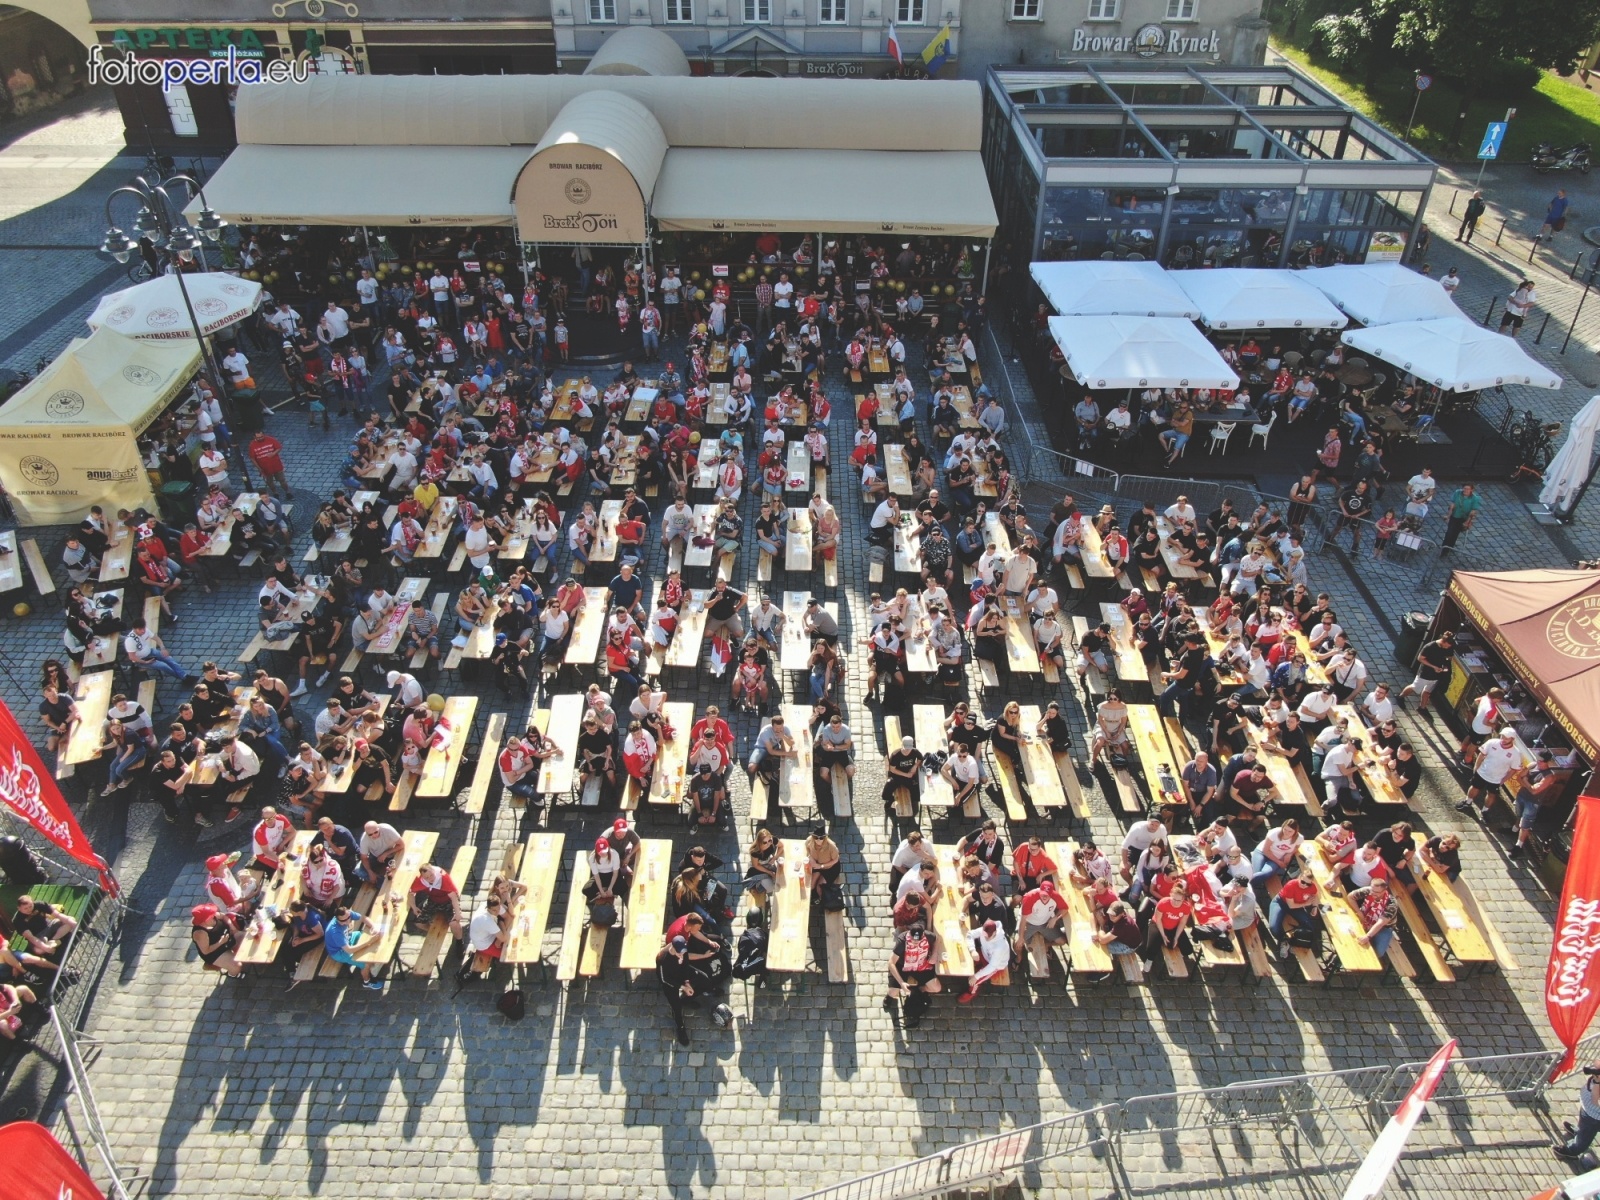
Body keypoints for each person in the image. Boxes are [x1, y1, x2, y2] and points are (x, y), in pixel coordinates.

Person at [884, 921, 943, 1029]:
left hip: (920, 965)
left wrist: (934, 954)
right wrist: (901, 983)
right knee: (893, 992)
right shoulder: (902, 941)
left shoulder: (928, 935)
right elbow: (891, 962)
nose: (915, 943)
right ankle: (888, 998)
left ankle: (920, 989)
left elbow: (938, 939)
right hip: (903, 966)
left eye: (918, 941)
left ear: (923, 936)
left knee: (936, 988)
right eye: (913, 941)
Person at [1511, 749, 1563, 858]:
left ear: (1546, 761)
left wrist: (1525, 780)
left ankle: (1518, 846)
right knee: (1519, 815)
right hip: (1522, 796)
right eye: (1538, 759)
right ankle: (1513, 830)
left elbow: (1534, 791)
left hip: (1533, 802)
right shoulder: (1532, 765)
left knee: (1525, 825)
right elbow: (1518, 777)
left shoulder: (1549, 776)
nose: (1538, 761)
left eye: (1541, 760)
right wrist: (1527, 783)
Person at [324, 906, 385, 990]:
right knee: (365, 964)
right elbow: (349, 950)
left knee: (364, 935)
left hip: (348, 938)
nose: (348, 921)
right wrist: (369, 942)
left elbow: (363, 918)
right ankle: (367, 982)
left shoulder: (346, 914)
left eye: (349, 918)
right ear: (337, 919)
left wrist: (373, 927)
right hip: (339, 952)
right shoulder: (335, 932)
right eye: (344, 921)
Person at [1553, 1064, 1600, 1159]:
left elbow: (1595, 1101)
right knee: (1584, 1125)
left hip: (1593, 1115)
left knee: (1586, 1133)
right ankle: (1579, 1132)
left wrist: (1597, 1082)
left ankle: (1573, 1150)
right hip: (1588, 1109)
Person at [1349, 877, 1399, 962]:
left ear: (1384, 891)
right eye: (1372, 890)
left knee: (1378, 952)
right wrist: (1358, 911)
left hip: (1384, 927)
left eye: (1376, 892)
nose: (1372, 893)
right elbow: (1350, 897)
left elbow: (1381, 923)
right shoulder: (1368, 890)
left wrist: (1368, 936)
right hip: (1366, 917)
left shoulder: (1391, 904)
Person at [190, 904, 242, 978]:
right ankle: (232, 974)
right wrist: (221, 942)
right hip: (215, 952)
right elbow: (206, 951)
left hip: (227, 939)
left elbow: (224, 916)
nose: (214, 914)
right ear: (205, 919)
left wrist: (231, 926)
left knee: (245, 940)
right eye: (210, 915)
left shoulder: (214, 916)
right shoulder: (200, 933)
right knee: (236, 966)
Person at [1440, 483, 1481, 552]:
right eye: (1464, 488)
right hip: (1455, 515)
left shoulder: (1475, 498)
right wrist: (1448, 516)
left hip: (1464, 517)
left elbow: (1473, 510)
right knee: (1449, 532)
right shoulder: (1457, 493)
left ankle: (1449, 547)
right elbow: (1452, 505)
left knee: (1455, 533)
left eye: (1468, 489)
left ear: (1471, 490)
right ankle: (1444, 547)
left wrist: (1467, 522)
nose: (1465, 490)